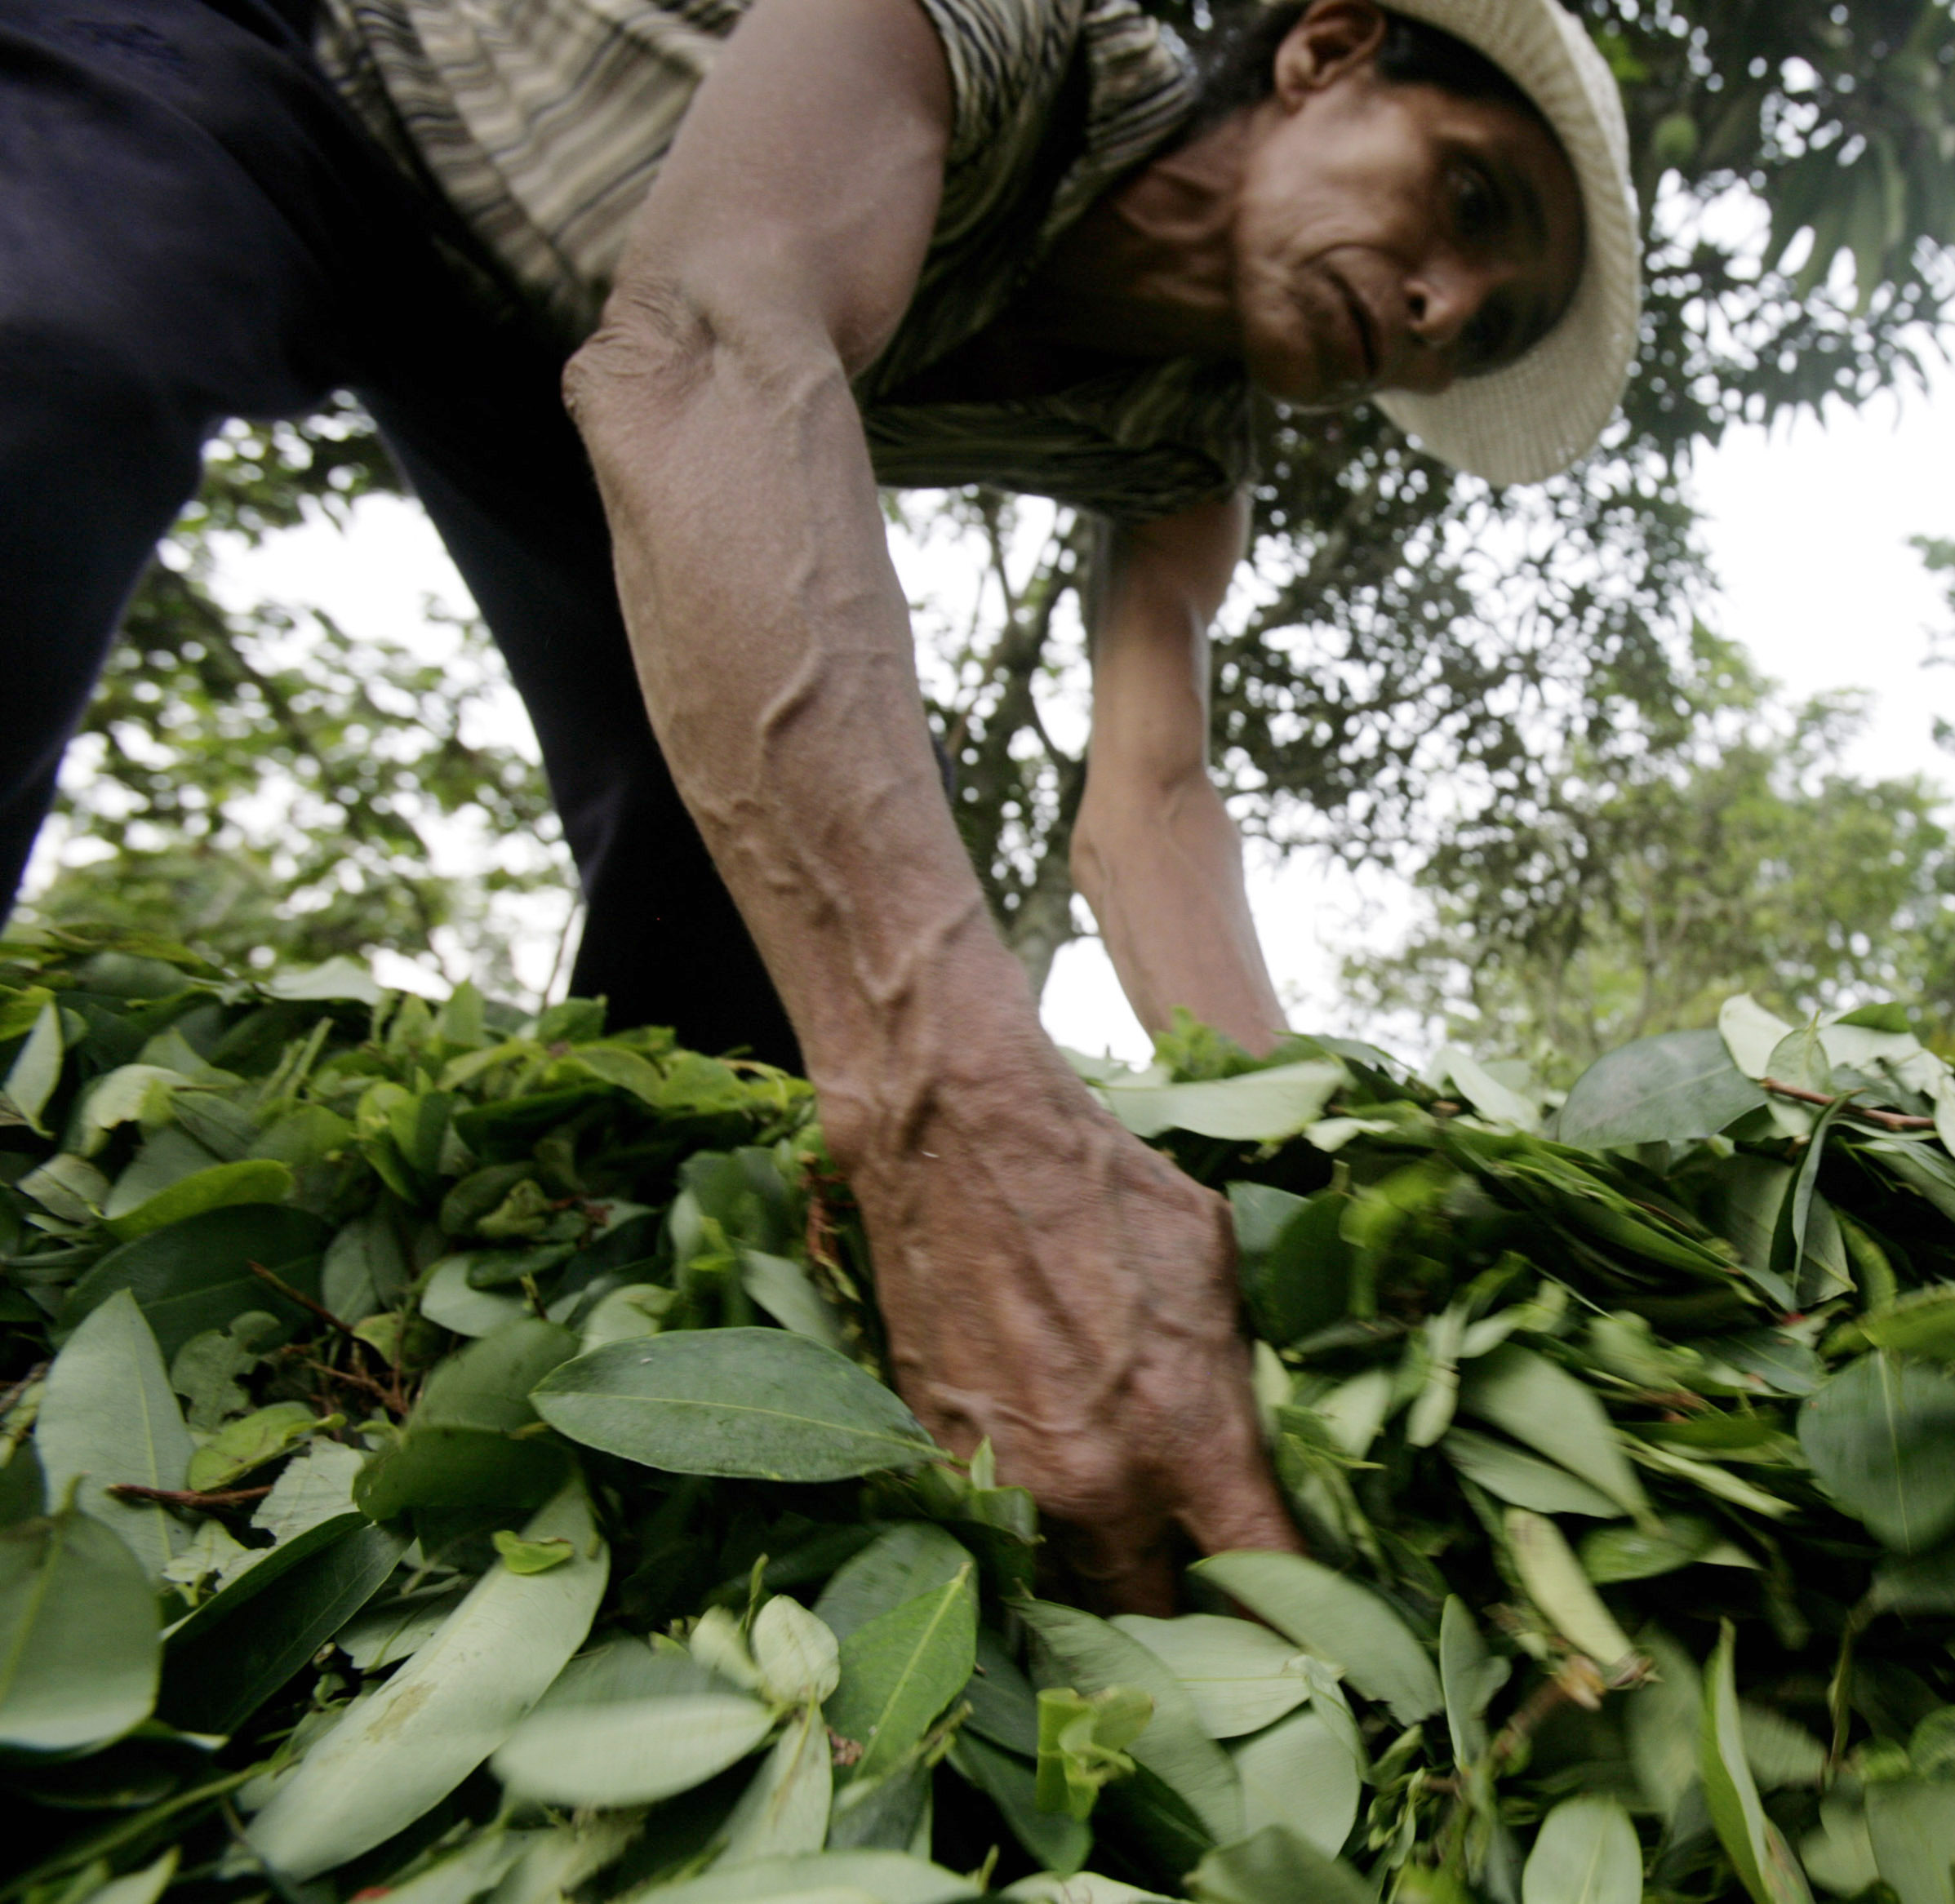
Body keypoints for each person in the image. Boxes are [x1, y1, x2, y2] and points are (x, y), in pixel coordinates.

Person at [1, 0, 1640, 1604]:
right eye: (1469, 198)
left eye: (1488, 322)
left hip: (539, 362)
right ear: (1329, 49)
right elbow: (714, 345)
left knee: (741, 949)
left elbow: (1150, 805)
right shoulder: (1025, 35)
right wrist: (952, 1090)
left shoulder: (1183, 445)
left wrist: (1306, 1172)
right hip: (313, 61)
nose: (1441, 302)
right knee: (60, 344)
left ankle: (591, 1408)